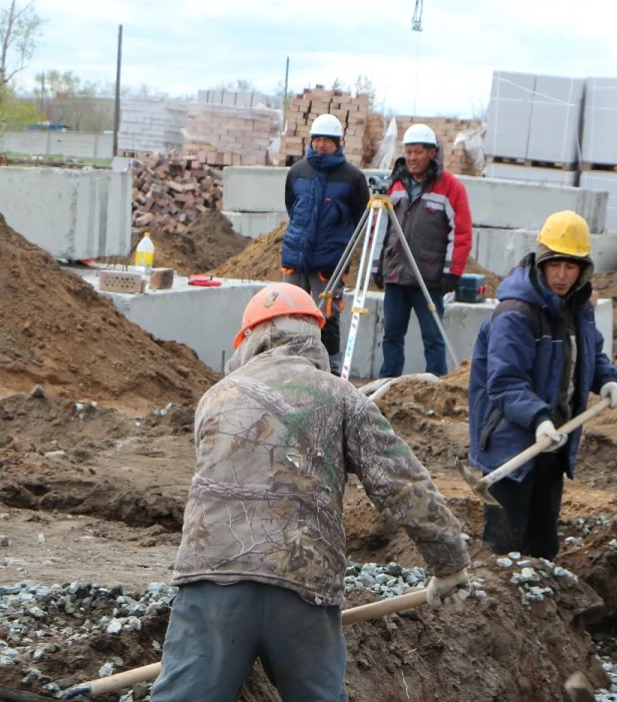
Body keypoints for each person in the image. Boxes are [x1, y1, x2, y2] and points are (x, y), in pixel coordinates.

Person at [149, 282, 472, 702]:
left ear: (248, 340)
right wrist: (449, 562)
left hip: (212, 583)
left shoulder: (214, 398)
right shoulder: (342, 397)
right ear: (314, 338)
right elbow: (402, 485)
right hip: (301, 584)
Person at [466, 210, 617, 561]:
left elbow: (588, 353)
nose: (562, 275)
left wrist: (608, 380)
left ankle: (538, 608)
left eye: (571, 266)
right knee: (504, 549)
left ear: (582, 269)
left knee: (542, 544)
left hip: (552, 441)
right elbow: (505, 381)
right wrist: (539, 417)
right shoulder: (516, 313)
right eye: (555, 264)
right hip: (511, 445)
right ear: (541, 262)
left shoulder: (575, 308)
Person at [373, 123, 473, 378]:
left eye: (418, 152)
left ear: (432, 153)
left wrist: (453, 270)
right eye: (408, 152)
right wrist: (376, 265)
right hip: (396, 275)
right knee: (392, 335)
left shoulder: (450, 187)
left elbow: (461, 232)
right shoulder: (394, 185)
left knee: (433, 337)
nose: (412, 158)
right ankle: (388, 383)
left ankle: (435, 386)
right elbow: (380, 227)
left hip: (430, 278)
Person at [281, 114, 370, 372]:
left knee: (327, 317)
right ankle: (290, 365)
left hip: (329, 263)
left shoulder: (352, 178)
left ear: (337, 143)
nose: (321, 145)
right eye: (317, 139)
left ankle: (328, 370)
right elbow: (292, 207)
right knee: (290, 313)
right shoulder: (298, 171)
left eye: (326, 140)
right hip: (296, 259)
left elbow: (360, 217)